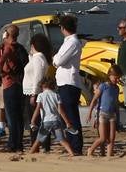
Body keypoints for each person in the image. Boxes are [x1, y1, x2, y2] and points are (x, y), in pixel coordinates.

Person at [53, 15, 84, 155]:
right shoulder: (69, 42)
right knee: (67, 115)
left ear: (63, 28)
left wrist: (55, 59)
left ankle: (76, 145)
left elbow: (58, 60)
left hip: (69, 83)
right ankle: (72, 144)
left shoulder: (72, 42)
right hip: (65, 82)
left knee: (71, 116)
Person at [0, 26, 28, 153]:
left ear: (6, 34)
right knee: (18, 116)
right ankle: (18, 144)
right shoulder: (20, 48)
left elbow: (0, 61)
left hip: (9, 83)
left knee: (12, 117)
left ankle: (12, 144)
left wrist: (1, 73)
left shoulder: (8, 48)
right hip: (20, 84)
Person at [28, 78, 76, 156]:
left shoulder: (40, 95)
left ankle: (31, 153)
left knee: (38, 140)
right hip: (56, 121)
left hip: (46, 122)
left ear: (42, 86)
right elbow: (61, 110)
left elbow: (37, 109)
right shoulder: (56, 95)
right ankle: (71, 152)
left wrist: (33, 121)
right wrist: (67, 122)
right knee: (61, 139)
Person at [23, 32, 52, 146]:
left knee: (35, 120)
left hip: (33, 92)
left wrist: (34, 94)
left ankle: (38, 144)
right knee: (35, 119)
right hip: (31, 91)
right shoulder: (36, 57)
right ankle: (37, 143)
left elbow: (38, 77)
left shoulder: (38, 58)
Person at [88, 67, 121, 157]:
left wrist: (118, 118)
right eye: (116, 77)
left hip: (112, 115)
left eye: (118, 78)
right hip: (102, 113)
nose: (117, 80)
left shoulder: (116, 88)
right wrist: (90, 113)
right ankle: (90, 150)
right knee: (102, 138)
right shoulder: (103, 86)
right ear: (110, 76)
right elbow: (94, 99)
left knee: (111, 138)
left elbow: (116, 104)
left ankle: (109, 155)